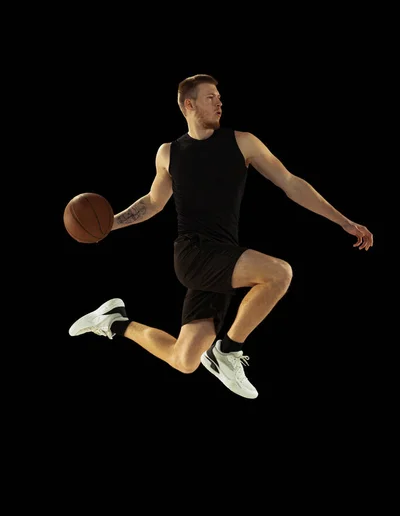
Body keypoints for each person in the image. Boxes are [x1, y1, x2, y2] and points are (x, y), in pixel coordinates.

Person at [69, 74, 373, 399]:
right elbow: (153, 202)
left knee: (184, 359)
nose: (220, 102)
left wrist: (343, 221)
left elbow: (290, 182)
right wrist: (110, 224)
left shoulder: (242, 142)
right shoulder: (169, 153)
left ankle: (114, 323)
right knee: (278, 273)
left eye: (219, 97)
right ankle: (226, 352)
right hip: (193, 254)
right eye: (211, 97)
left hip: (222, 258)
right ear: (189, 104)